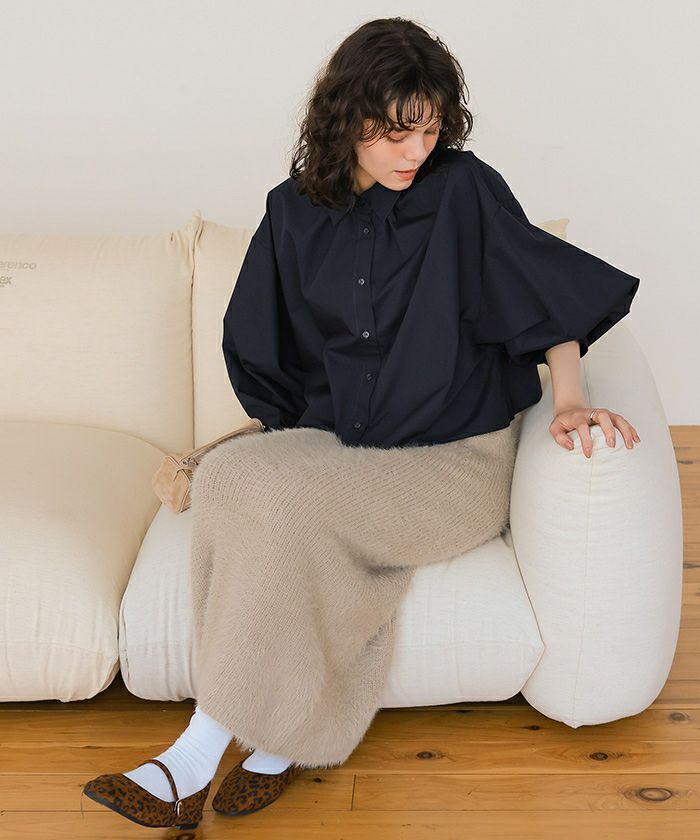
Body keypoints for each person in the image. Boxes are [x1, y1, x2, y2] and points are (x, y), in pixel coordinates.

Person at [82, 16, 641, 830]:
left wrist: (568, 400)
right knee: (233, 478)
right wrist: (300, 433)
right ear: (347, 120)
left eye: (429, 129)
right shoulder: (292, 212)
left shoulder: (463, 191)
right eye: (394, 133)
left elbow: (541, 288)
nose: (416, 151)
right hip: (349, 447)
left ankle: (196, 752)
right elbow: (261, 342)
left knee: (289, 502)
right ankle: (283, 737)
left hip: (455, 459)